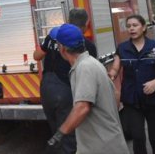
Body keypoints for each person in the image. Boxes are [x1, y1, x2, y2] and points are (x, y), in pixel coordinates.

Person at [47, 23, 129, 154]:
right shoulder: (91, 63)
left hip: (102, 147)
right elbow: (116, 94)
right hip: (101, 144)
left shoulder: (84, 67)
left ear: (61, 48)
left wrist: (59, 134)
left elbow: (82, 107)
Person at [33, 8, 97, 154]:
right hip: (66, 90)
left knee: (55, 129)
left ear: (68, 20)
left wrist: (43, 45)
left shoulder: (53, 35)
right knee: (68, 135)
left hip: (47, 90)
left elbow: (37, 56)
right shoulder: (87, 45)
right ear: (86, 24)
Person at [109, 14, 155, 154]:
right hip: (132, 100)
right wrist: (111, 75)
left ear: (143, 28)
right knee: (138, 137)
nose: (131, 28)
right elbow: (115, 68)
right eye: (129, 26)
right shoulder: (122, 48)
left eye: (135, 25)